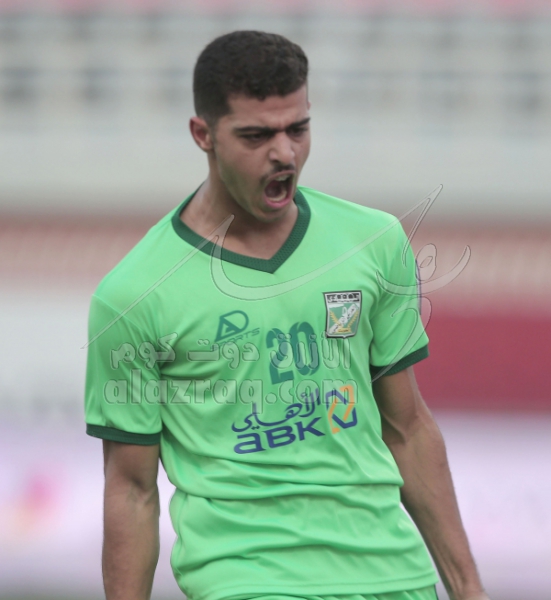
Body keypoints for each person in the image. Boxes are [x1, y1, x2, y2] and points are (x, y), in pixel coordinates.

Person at [85, 30, 490, 600]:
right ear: (203, 134)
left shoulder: (373, 241)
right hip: (246, 579)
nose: (284, 153)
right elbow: (131, 489)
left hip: (395, 575)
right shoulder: (132, 295)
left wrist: (469, 588)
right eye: (256, 135)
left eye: (297, 129)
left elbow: (408, 428)